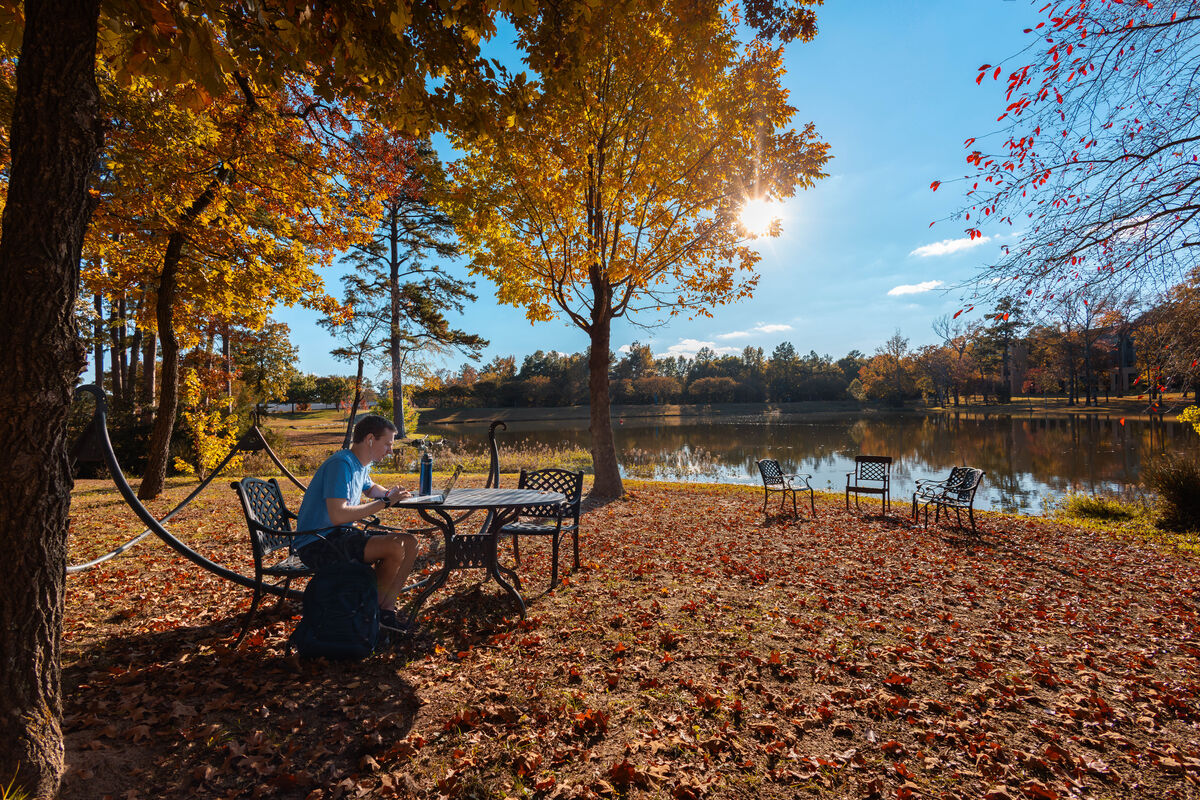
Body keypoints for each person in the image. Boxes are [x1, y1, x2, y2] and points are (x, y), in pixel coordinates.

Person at [293, 414, 418, 632]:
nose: (390, 450)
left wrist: (390, 493)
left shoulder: (359, 463)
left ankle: (384, 611)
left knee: (410, 542)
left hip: (338, 536)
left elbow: (369, 488)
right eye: (387, 444)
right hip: (317, 543)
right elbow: (338, 515)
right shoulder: (341, 464)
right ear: (370, 439)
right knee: (394, 547)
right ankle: (372, 615)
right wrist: (386, 502)